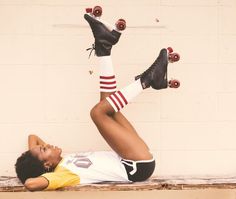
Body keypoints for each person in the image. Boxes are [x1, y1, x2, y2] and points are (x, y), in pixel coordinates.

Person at [15, 12, 171, 191]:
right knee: (97, 113)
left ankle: (104, 49)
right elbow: (30, 184)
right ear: (47, 166)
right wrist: (40, 172)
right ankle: (147, 81)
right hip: (135, 167)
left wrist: (33, 155)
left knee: (108, 107)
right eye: (44, 150)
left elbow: (32, 137)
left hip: (130, 158)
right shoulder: (63, 175)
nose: (46, 144)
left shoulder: (60, 161)